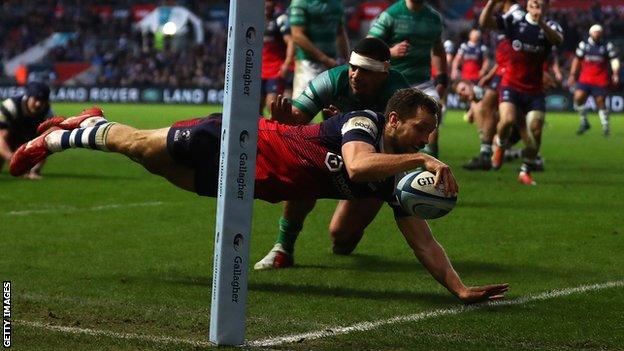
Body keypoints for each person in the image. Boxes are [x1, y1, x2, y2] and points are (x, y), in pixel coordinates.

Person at [10, 89, 508, 304]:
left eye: (430, 135)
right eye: (421, 130)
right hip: (242, 141)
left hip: (251, 186)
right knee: (140, 145)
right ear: (396, 120)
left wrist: (459, 288)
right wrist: (423, 160)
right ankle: (52, 140)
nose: (426, 140)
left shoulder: (391, 178)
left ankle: (89, 123)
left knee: (151, 163)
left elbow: (423, 241)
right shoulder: (366, 123)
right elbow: (356, 163)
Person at [255, 37, 410, 269]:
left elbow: (404, 146)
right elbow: (297, 119)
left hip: (373, 164)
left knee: (341, 239)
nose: (356, 75)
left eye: (365, 71)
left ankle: (350, 230)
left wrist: (351, 123)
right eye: (353, 67)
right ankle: (283, 248)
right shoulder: (331, 79)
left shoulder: (400, 97)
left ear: (383, 74)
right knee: (302, 166)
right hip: (333, 154)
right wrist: (286, 123)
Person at [479, 0, 563, 186]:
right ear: (528, 6)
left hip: (535, 90)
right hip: (511, 84)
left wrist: (540, 22)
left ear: (546, 7)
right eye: (533, 4)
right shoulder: (515, 22)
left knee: (536, 131)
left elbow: (558, 41)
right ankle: (499, 145)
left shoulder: (551, 26)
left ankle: (525, 170)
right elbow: (484, 22)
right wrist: (492, 2)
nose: (536, 9)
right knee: (507, 120)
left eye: (540, 5)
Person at [368, 0, 448, 158]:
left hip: (423, 82)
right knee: (390, 128)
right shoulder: (390, 15)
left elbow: (438, 50)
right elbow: (369, 46)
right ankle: (386, 162)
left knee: (432, 117)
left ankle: (426, 171)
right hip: (393, 82)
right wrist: (391, 51)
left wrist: (441, 78)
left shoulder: (434, 18)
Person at [463, 0, 523, 171]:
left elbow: (484, 21)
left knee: (510, 114)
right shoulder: (509, 16)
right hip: (502, 69)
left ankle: (520, 153)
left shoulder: (516, 16)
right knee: (487, 107)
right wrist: (490, 75)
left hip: (511, 70)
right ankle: (490, 152)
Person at [288, 0, 350, 99]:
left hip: (333, 63)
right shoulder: (301, 2)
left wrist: (347, 60)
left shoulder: (336, 2)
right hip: (307, 64)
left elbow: (340, 32)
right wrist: (324, 58)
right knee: (300, 106)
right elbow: (297, 35)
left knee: (333, 108)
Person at [568, 24, 620, 137]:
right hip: (585, 78)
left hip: (600, 79)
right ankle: (584, 121)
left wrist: (615, 73)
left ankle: (606, 126)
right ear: (591, 33)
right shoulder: (584, 45)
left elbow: (614, 60)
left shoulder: (607, 45)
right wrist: (572, 75)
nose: (597, 34)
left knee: (600, 101)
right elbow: (577, 60)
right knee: (577, 98)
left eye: (599, 32)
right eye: (595, 32)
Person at [0, 81, 54, 179]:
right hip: (7, 140)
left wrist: (35, 170)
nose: (38, 104)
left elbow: (46, 142)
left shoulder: (47, 113)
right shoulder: (10, 106)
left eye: (43, 101)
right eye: (36, 99)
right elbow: (1, 137)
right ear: (28, 96)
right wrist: (12, 159)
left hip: (28, 142)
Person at [260, 0, 295, 116]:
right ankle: (258, 133)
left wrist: (287, 63)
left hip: (275, 70)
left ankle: (276, 132)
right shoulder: (254, 19)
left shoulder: (281, 19)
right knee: (255, 108)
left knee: (272, 105)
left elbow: (290, 42)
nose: (266, 4)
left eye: (269, 1)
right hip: (256, 70)